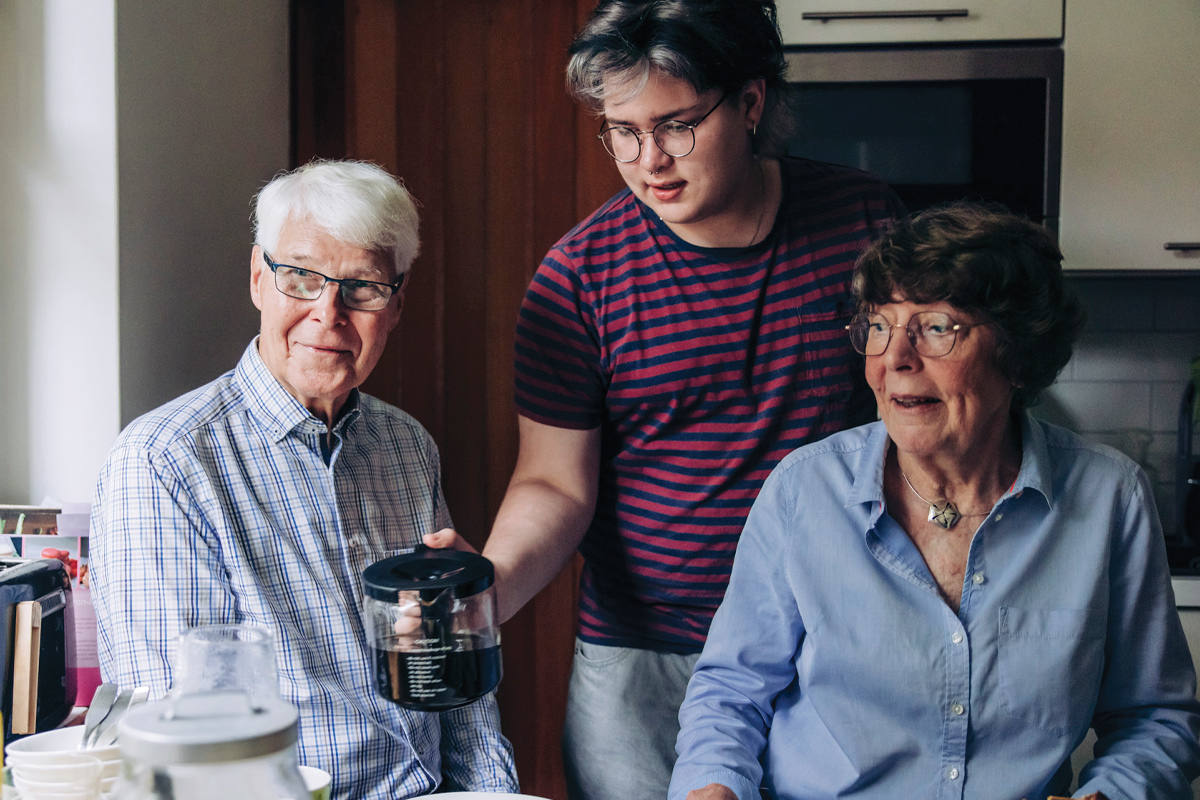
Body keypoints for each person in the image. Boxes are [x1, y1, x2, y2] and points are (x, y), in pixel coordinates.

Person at [423, 2, 902, 799]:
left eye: (677, 125)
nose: (651, 161)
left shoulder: (862, 224)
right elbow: (554, 482)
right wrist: (489, 588)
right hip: (645, 660)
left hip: (835, 635)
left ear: (749, 104)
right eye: (622, 131)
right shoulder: (577, 279)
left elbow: (911, 428)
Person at [668, 203, 1200, 800]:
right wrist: (713, 787)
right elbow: (731, 693)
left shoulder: (1109, 500)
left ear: (1018, 354)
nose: (895, 358)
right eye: (879, 325)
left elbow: (1155, 717)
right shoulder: (803, 490)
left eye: (937, 326)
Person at [89, 160, 518, 800]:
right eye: (300, 278)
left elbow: (455, 687)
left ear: (396, 305)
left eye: (363, 286)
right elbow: (176, 737)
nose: (329, 313)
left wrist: (495, 796)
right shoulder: (164, 461)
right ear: (259, 279)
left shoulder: (406, 446)